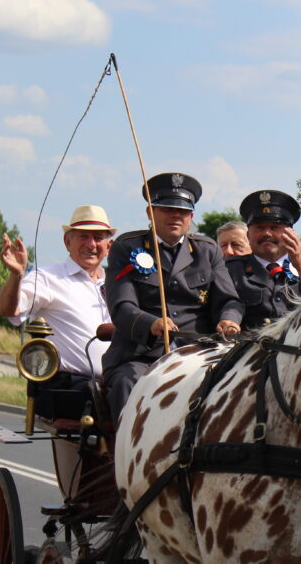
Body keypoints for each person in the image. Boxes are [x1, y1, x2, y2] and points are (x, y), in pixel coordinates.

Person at [102, 172, 243, 420]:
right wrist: (151, 323)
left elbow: (229, 300)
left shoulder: (207, 250)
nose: (175, 215)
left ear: (191, 217)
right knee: (128, 382)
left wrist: (229, 319)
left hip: (198, 353)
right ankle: (124, 455)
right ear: (150, 213)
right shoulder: (127, 247)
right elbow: (122, 306)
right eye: (167, 208)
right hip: (142, 356)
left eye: (183, 211)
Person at [0, 205, 116, 391]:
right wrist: (16, 275)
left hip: (114, 383)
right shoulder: (47, 278)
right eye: (83, 236)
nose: (91, 244)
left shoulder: (117, 283)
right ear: (67, 242)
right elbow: (8, 310)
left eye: (98, 238)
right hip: (70, 387)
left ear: (109, 246)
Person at [226, 189, 301, 330]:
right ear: (248, 235)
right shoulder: (232, 270)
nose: (267, 233)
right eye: (260, 228)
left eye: (274, 227)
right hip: (249, 348)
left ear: (291, 234)